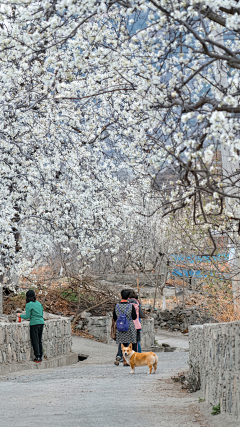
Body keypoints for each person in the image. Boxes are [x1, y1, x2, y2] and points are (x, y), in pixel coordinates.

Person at [17, 290, 44, 363]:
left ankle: (37, 357)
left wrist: (20, 315)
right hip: (41, 323)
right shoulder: (39, 303)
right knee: (39, 340)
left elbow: (27, 316)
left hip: (34, 324)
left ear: (27, 297)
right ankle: (41, 356)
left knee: (35, 340)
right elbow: (41, 313)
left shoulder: (28, 305)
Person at [113, 289, 137, 366]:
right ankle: (128, 361)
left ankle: (120, 356)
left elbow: (114, 317)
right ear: (128, 297)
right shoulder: (131, 306)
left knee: (122, 343)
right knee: (130, 343)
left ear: (121, 296)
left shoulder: (116, 306)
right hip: (129, 326)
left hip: (120, 326)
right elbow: (134, 317)